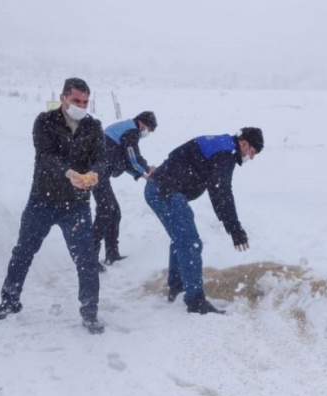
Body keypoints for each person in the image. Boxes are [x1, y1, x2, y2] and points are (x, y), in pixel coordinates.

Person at [0, 77, 106, 334]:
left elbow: (101, 159)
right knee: (23, 252)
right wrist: (69, 173)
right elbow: (45, 157)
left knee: (86, 259)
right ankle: (9, 301)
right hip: (42, 200)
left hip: (77, 204)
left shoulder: (94, 127)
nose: (82, 106)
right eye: (76, 100)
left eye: (86, 101)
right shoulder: (45, 121)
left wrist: (95, 173)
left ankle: (90, 311)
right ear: (63, 98)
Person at [144, 128, 264, 314]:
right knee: (190, 242)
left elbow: (217, 187)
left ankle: (177, 285)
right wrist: (235, 228)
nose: (252, 157)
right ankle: (195, 301)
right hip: (165, 192)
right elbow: (220, 191)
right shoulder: (226, 152)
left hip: (161, 189)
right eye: (252, 152)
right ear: (243, 143)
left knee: (181, 238)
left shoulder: (223, 146)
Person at [92, 111, 158, 267]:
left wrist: (142, 176)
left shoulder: (127, 130)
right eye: (150, 129)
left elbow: (123, 161)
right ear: (142, 123)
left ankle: (112, 254)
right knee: (106, 210)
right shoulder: (131, 131)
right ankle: (89, 257)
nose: (148, 133)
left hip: (100, 173)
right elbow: (132, 157)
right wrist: (147, 168)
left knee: (113, 212)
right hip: (94, 173)